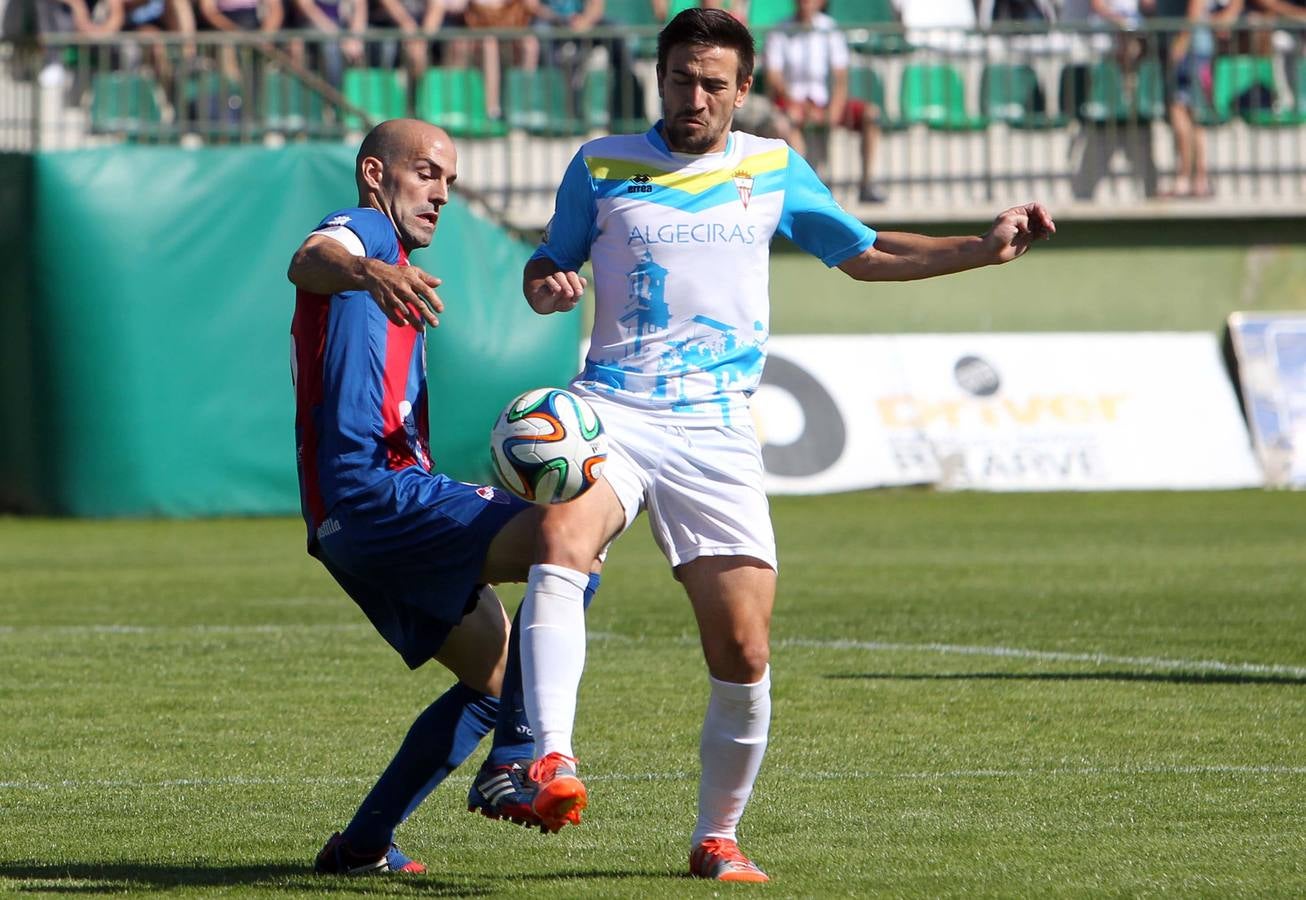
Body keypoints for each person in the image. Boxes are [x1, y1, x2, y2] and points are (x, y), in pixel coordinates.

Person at [508, 7, 1055, 883]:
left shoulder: (771, 167)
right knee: (562, 541)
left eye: (713, 83)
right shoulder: (602, 163)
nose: (695, 97)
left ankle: (715, 838)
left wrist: (981, 250)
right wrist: (548, 286)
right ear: (660, 77)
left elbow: (866, 253)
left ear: (744, 88)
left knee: (744, 650)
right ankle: (550, 758)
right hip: (613, 409)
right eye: (682, 79)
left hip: (717, 428)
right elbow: (547, 267)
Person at [287, 118, 601, 874]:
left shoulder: (388, 262)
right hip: (376, 492)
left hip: (344, 518)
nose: (441, 193)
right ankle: (520, 758)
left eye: (450, 181)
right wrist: (370, 272)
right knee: (571, 534)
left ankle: (362, 845)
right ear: (374, 175)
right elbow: (310, 258)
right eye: (426, 172)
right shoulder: (365, 234)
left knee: (500, 680)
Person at [764, 0, 885, 203]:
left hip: (823, 101)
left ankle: (866, 184)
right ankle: (803, 189)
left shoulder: (829, 28)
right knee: (789, 122)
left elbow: (840, 76)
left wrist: (834, 110)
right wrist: (795, 104)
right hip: (792, 103)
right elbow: (774, 76)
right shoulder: (779, 29)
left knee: (871, 115)